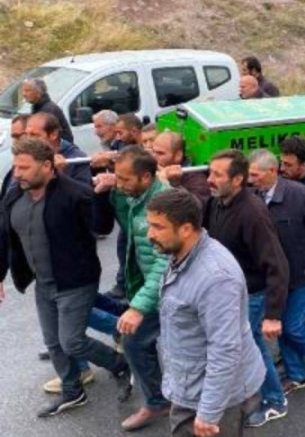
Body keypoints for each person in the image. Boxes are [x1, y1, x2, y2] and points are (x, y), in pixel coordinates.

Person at [1, 138, 131, 417]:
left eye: (24, 167)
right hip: (43, 282)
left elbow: (101, 226)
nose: (17, 173)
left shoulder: (75, 194)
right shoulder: (14, 194)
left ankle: (119, 363)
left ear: (47, 166)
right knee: (53, 341)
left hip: (76, 281)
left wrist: (100, 195)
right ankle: (73, 391)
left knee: (71, 340)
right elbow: (5, 237)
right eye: (15, 167)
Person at [146, 189, 265, 436]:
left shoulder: (216, 278)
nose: (150, 235)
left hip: (213, 399)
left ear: (186, 229)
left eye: (158, 227)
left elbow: (225, 349)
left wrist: (209, 412)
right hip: (190, 387)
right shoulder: (182, 252)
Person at [202, 149, 290, 428]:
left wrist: (273, 314)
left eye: (217, 175)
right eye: (210, 172)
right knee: (241, 346)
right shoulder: (217, 203)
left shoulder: (253, 213)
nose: (209, 180)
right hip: (229, 293)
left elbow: (277, 264)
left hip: (252, 295)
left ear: (238, 179)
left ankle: (275, 400)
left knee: (250, 347)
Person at [247, 150, 305, 394]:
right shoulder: (255, 196)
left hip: (302, 274)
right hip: (275, 278)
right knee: (280, 327)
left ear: (271, 171)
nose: (250, 179)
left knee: (292, 326)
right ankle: (296, 373)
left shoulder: (299, 195)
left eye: (255, 174)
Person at [92, 145, 171, 431]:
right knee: (135, 341)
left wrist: (138, 306)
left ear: (147, 177)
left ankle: (228, 403)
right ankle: (157, 402)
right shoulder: (136, 196)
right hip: (152, 288)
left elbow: (165, 264)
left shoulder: (164, 202)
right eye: (118, 176)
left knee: (192, 349)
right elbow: (119, 224)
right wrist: (112, 190)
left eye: (125, 179)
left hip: (174, 291)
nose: (120, 182)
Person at [24, 112, 91, 186]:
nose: (28, 140)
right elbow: (12, 192)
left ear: (54, 135)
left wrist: (60, 175)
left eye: (34, 135)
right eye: (26, 135)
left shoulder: (77, 159)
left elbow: (84, 195)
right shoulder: (25, 156)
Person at [152, 131, 211, 205]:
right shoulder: (152, 171)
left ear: (178, 155)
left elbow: (195, 208)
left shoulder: (196, 178)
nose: (154, 157)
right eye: (153, 152)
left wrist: (173, 184)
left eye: (160, 153)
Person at [22, 78, 74, 143]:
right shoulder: (37, 107)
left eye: (28, 91)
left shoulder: (48, 111)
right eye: (24, 91)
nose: (24, 94)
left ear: (39, 92)